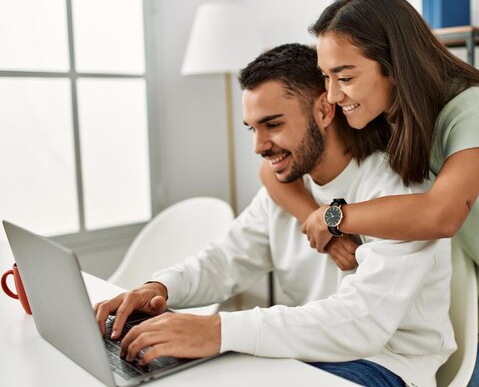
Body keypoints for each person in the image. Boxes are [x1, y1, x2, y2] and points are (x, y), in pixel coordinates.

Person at [94, 43, 455, 387]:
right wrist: (160, 287)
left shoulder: (397, 189)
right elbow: (226, 259)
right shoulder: (289, 186)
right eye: (253, 128)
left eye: (273, 124)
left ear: (325, 110)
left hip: (386, 362)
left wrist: (218, 330)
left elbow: (362, 323)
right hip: (307, 350)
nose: (258, 146)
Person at [259, 0, 479, 387]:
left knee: (476, 374)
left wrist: (335, 217)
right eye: (326, 76)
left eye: (344, 76)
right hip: (418, 250)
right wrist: (324, 229)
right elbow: (274, 172)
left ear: (393, 64)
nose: (332, 94)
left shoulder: (474, 104)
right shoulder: (363, 101)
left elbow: (444, 213)